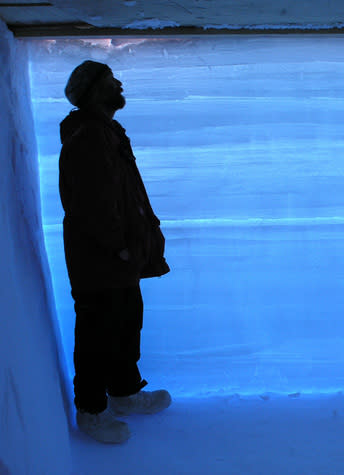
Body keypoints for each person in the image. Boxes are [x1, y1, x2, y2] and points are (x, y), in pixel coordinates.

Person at [59, 60, 171, 444]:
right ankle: (91, 412)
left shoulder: (105, 132)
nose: (119, 83)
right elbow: (92, 203)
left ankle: (123, 393)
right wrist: (119, 246)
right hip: (101, 259)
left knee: (125, 324)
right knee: (97, 332)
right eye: (110, 81)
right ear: (92, 92)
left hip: (118, 258)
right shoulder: (90, 136)